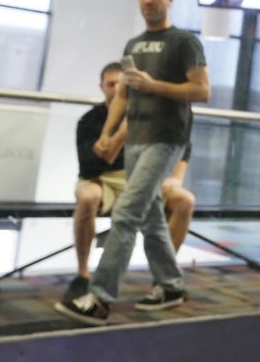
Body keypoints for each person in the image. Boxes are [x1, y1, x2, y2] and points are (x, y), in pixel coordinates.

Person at [54, 0, 210, 326]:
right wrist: (108, 134)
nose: (147, 1)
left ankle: (99, 298)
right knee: (152, 218)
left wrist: (155, 85)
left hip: (167, 139)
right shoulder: (133, 45)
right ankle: (170, 286)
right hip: (135, 140)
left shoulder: (185, 42)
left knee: (126, 214)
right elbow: (123, 94)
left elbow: (202, 91)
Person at [64, 62, 196, 302]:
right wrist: (116, 136)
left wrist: (175, 178)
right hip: (100, 179)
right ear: (102, 87)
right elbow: (90, 166)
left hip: (138, 179)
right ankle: (83, 274)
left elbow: (182, 144)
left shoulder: (152, 118)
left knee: (184, 200)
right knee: (88, 197)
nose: (115, 90)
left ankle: (165, 278)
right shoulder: (90, 120)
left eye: (121, 85)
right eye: (110, 84)